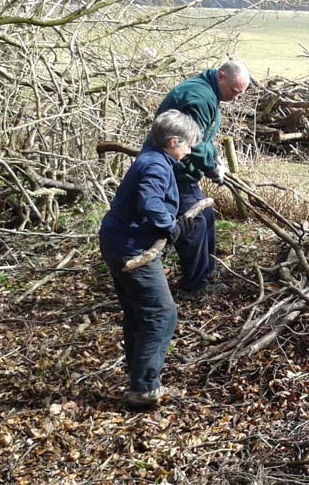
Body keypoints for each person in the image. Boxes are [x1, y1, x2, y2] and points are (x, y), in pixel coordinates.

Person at [99, 110, 203, 407]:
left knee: (137, 312)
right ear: (173, 142)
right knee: (161, 314)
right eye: (187, 145)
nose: (189, 151)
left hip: (116, 241)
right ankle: (144, 388)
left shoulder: (151, 159)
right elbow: (151, 202)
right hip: (131, 249)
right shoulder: (156, 165)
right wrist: (170, 227)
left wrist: (172, 224)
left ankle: (137, 379)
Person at [145, 60, 250, 299]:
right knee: (194, 224)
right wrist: (212, 167)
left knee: (206, 215)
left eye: (240, 94)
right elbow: (193, 142)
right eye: (234, 91)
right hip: (172, 170)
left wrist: (215, 158)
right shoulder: (200, 98)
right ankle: (194, 286)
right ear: (221, 76)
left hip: (182, 167)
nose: (235, 98)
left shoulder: (210, 91)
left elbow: (204, 137)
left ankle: (206, 271)